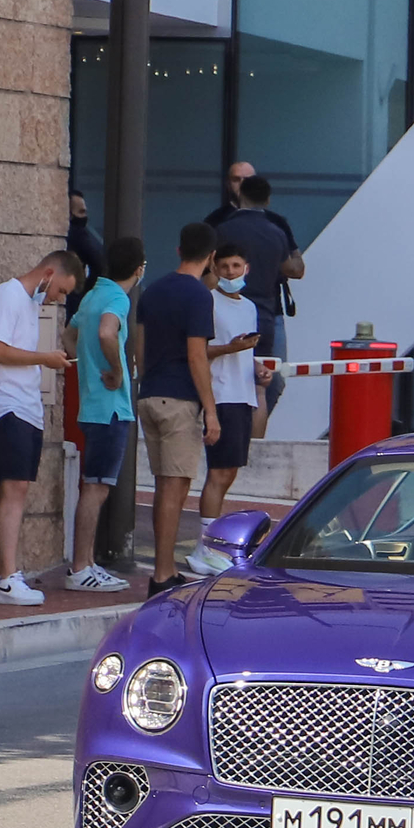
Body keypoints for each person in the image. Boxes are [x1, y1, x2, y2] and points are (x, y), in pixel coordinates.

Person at [0, 251, 81, 604]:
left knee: (10, 490)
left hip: (21, 405)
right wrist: (44, 358)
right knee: (13, 488)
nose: (58, 298)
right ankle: (6, 576)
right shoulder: (9, 295)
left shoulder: (26, 304)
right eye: (61, 290)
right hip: (6, 405)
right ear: (49, 273)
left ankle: (1, 575)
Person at [136, 222, 224, 594]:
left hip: (149, 394)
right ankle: (161, 575)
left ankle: (165, 568)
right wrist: (211, 409)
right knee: (175, 489)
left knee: (162, 487)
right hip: (179, 400)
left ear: (178, 251)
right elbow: (196, 355)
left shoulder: (152, 290)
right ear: (212, 257)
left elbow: (139, 347)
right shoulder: (199, 295)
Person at [62, 235, 144, 592]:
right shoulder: (116, 298)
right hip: (111, 407)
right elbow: (108, 333)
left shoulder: (94, 293)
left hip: (91, 403)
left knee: (94, 485)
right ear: (139, 269)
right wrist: (115, 369)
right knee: (97, 488)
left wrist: (86, 365)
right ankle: (81, 566)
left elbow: (69, 334)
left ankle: (87, 564)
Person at [185, 241, 269, 576]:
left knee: (230, 471)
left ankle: (209, 545)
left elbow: (242, 352)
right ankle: (207, 546)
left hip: (242, 394)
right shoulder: (208, 302)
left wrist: (256, 365)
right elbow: (199, 351)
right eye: (225, 267)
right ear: (215, 268)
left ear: (246, 268)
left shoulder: (249, 307)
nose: (231, 273)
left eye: (236, 267)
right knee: (219, 472)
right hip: (219, 394)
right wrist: (231, 349)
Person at [213, 175, 303, 433]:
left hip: (224, 312)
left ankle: (225, 435)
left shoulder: (222, 228)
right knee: (262, 385)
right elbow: (295, 269)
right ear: (268, 199)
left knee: (223, 380)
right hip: (264, 314)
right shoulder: (277, 230)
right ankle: (252, 447)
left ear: (240, 195)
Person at [65, 187, 107, 288]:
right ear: (69, 214)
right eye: (81, 212)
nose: (84, 216)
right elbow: (99, 264)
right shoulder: (78, 234)